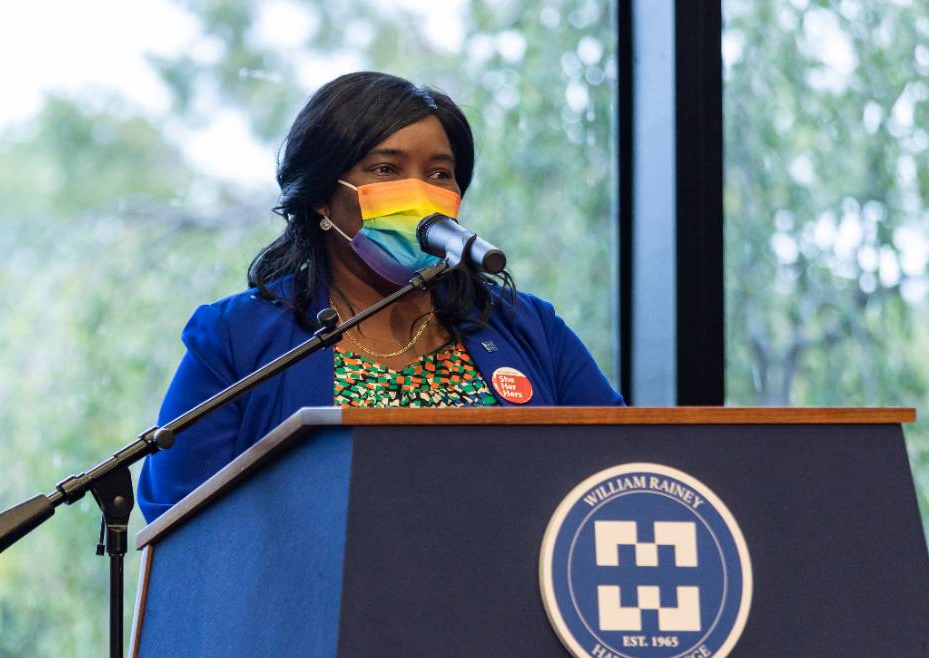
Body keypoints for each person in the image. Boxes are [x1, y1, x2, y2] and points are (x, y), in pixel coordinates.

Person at [137, 72, 623, 523]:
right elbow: (178, 519)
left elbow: (620, 474)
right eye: (388, 168)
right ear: (324, 196)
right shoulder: (235, 339)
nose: (419, 191)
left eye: (439, 174)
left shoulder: (527, 326)